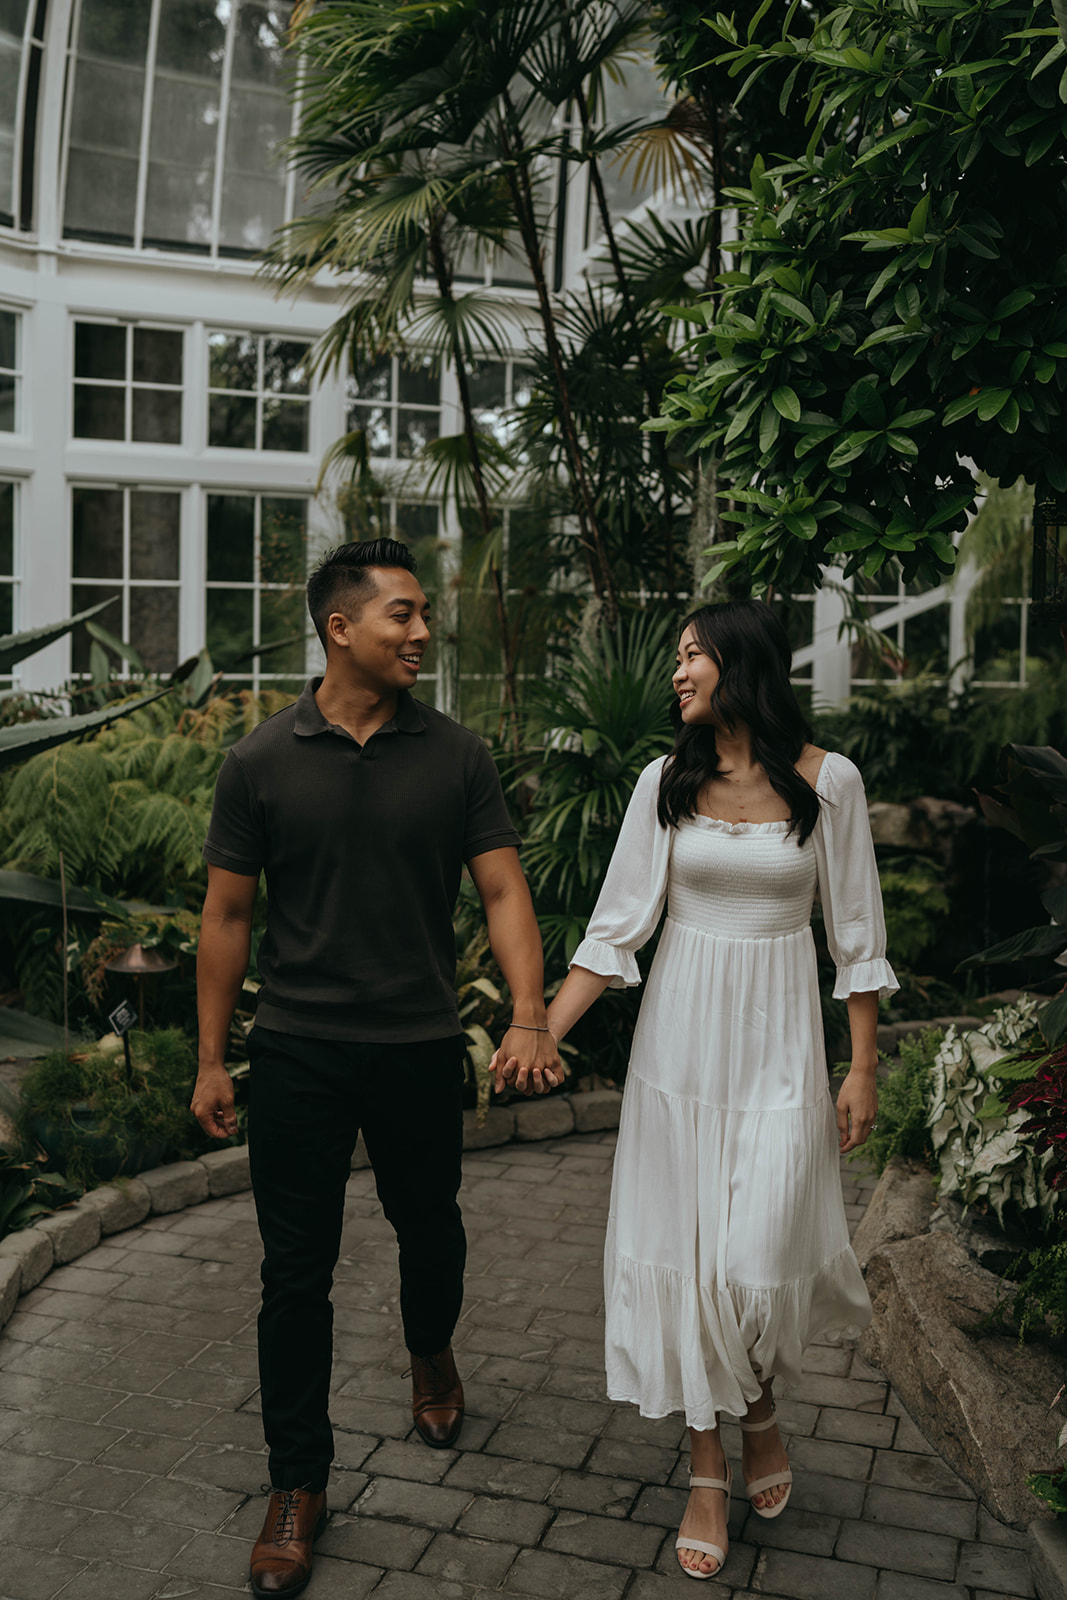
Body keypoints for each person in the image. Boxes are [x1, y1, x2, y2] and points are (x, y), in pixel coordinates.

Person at [192, 537, 560, 1600]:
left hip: (414, 1043)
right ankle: (297, 1483)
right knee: (292, 1274)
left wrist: (527, 1016)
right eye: (402, 614)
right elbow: (225, 915)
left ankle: (430, 1347)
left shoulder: (456, 755)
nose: (421, 633)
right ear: (338, 627)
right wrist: (212, 1058)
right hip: (300, 1050)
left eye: (423, 616)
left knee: (429, 1226)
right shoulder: (260, 761)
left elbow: (500, 893)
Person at [498, 599, 896, 1581]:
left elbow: (855, 938)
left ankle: (756, 1408)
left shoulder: (825, 781)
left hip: (776, 1053)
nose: (675, 673)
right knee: (688, 1257)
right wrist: (538, 1027)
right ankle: (709, 1463)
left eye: (690, 656)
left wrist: (861, 1067)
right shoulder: (663, 782)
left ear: (740, 664)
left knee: (754, 1258)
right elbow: (614, 929)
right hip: (678, 1053)